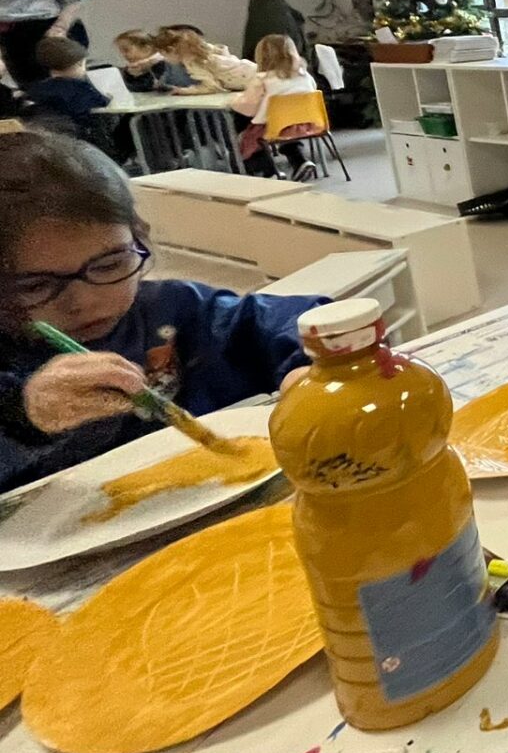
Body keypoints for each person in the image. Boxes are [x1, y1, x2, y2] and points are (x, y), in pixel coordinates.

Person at [0, 133, 325, 490]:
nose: (84, 300)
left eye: (109, 264)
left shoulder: (174, 309)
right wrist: (24, 415)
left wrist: (317, 363)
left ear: (139, 238)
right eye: (35, 285)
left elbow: (291, 321)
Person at [235, 34, 321, 179]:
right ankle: (300, 161)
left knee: (249, 139)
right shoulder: (304, 75)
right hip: (308, 124)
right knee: (287, 133)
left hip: (274, 127)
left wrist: (235, 101)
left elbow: (248, 108)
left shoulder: (262, 79)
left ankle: (270, 171)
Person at [22, 36, 111, 147]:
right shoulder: (81, 88)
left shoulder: (35, 89)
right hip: (79, 141)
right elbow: (101, 103)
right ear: (79, 63)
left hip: (44, 141)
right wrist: (108, 97)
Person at [154, 26, 257, 93]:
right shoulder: (205, 51)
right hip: (253, 70)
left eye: (163, 54)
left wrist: (184, 91)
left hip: (251, 80)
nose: (164, 58)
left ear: (171, 50)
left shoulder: (194, 63)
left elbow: (211, 86)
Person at [114, 31, 193, 93]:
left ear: (146, 49)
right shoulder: (132, 69)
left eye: (126, 50)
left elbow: (147, 87)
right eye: (121, 51)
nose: (123, 55)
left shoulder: (164, 64)